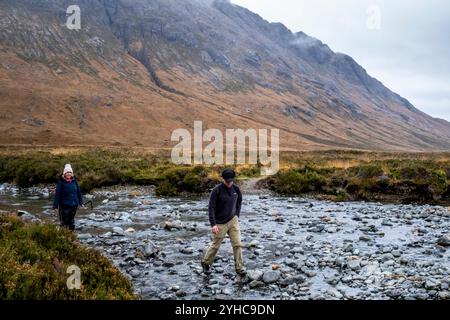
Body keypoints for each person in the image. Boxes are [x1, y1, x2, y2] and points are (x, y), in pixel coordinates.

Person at [201, 169, 245, 275]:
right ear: (223, 179)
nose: (229, 183)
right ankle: (206, 262)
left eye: (231, 181)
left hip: (233, 220)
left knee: (237, 244)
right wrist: (213, 224)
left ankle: (239, 268)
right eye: (227, 181)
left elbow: (239, 202)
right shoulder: (217, 190)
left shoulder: (236, 189)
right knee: (215, 245)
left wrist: (236, 216)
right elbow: (211, 208)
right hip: (220, 223)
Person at [52, 164, 83, 231]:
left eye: (70, 173)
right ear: (64, 174)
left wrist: (81, 202)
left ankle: (72, 235)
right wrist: (55, 206)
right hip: (64, 206)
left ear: (72, 174)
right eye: (67, 173)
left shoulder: (74, 181)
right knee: (64, 221)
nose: (69, 174)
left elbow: (79, 192)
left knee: (71, 221)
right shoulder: (61, 182)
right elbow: (57, 194)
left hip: (74, 205)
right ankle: (64, 235)